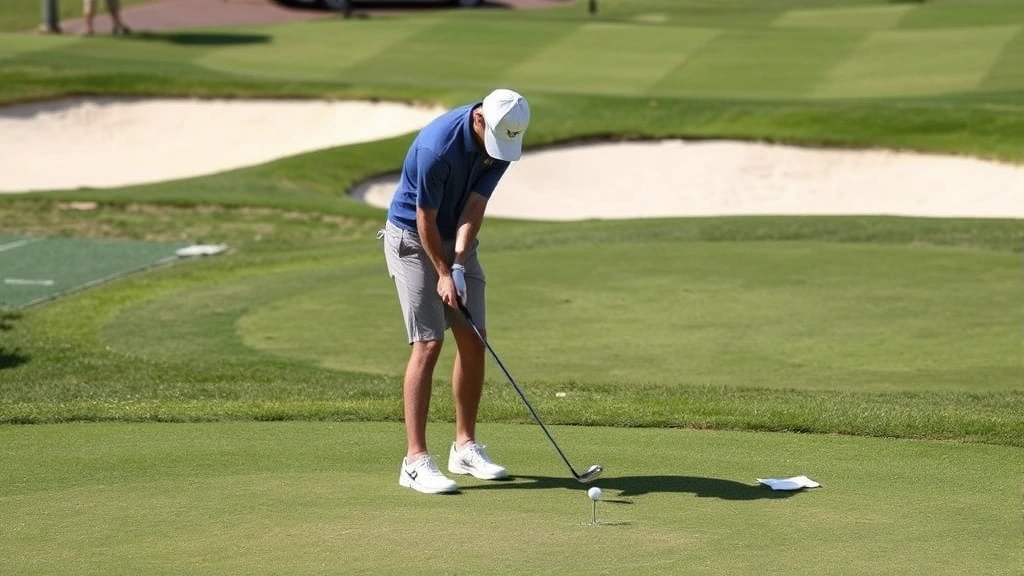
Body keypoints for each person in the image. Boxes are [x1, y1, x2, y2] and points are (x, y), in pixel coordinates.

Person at [381, 88, 530, 494]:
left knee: (474, 338)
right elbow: (423, 218)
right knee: (428, 343)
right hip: (413, 239)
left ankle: (464, 447)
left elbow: (473, 208)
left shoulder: (504, 139)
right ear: (479, 119)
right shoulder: (437, 147)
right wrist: (443, 273)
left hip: (454, 239)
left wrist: (460, 264)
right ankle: (414, 462)